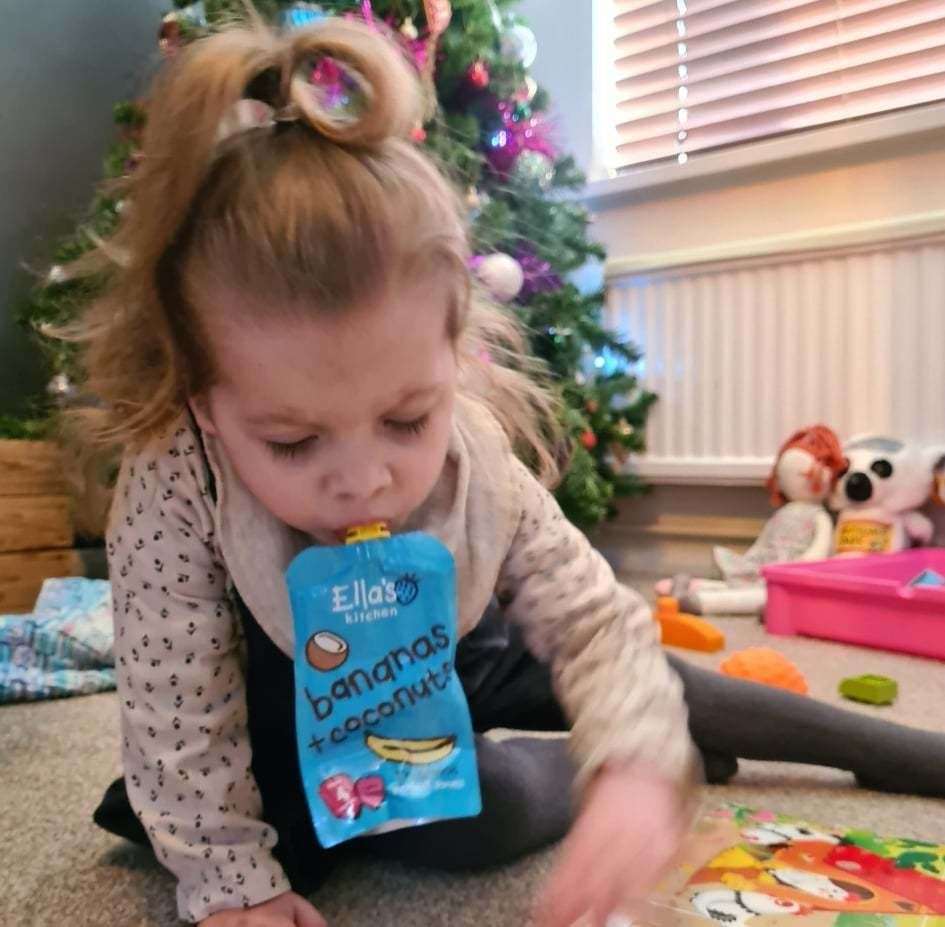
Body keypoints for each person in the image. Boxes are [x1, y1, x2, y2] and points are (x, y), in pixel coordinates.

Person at [67, 13, 945, 927]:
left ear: (455, 358)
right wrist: (228, 880)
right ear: (203, 401)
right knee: (475, 814)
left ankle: (895, 747)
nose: (366, 480)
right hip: (291, 714)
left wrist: (638, 756)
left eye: (407, 418)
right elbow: (179, 714)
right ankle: (612, 760)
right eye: (292, 441)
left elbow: (596, 626)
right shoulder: (173, 476)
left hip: (460, 640)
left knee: (658, 686)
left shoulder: (474, 448)